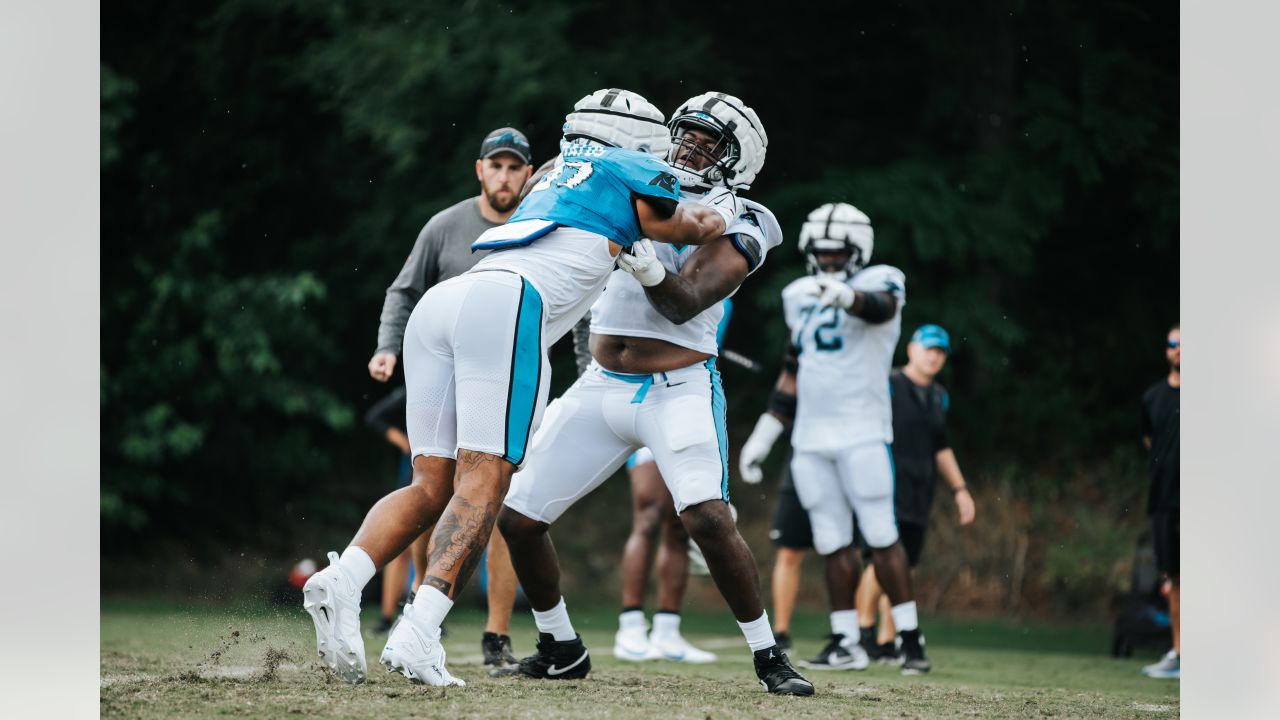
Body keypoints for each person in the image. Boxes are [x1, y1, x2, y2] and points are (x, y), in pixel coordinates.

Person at [304, 88, 736, 688]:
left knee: (433, 484)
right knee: (487, 480)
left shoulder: (555, 171)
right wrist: (723, 206)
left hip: (443, 306)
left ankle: (345, 577)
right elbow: (699, 223)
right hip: (506, 307)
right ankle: (420, 631)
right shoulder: (628, 169)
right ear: (640, 143)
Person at [498, 92, 814, 696]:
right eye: (685, 133)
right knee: (518, 518)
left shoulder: (747, 216)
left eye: (708, 141)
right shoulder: (635, 176)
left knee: (706, 517)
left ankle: (768, 656)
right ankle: (560, 645)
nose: (690, 146)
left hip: (678, 387)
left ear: (738, 159)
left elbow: (684, 301)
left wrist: (639, 258)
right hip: (600, 385)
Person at [364, 126, 534, 668]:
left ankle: (497, 636)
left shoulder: (544, 224)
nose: (504, 176)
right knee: (431, 494)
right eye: (496, 166)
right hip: (444, 382)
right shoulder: (446, 226)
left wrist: (581, 369)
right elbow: (404, 290)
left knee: (501, 504)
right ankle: (417, 611)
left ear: (528, 174)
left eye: (514, 167)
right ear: (479, 170)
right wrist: (388, 347)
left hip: (511, 384)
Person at [739, 202, 931, 675]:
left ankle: (910, 639)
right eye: (820, 253)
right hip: (810, 439)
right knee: (831, 541)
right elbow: (793, 367)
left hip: (863, 432)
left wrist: (845, 297)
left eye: (836, 253)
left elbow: (881, 307)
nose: (827, 261)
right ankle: (846, 640)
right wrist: (766, 433)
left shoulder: (880, 280)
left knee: (882, 535)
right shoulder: (799, 294)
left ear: (858, 250)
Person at [612, 298, 734, 666]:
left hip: (684, 402)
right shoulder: (651, 277)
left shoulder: (721, 294)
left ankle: (667, 630)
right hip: (640, 398)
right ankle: (630, 626)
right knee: (649, 514)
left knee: (681, 525)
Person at [854, 324, 976, 661]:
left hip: (921, 492)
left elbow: (941, 448)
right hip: (886, 485)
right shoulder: (888, 384)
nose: (934, 356)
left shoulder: (939, 396)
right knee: (881, 560)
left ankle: (888, 640)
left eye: (940, 351)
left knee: (904, 566)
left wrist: (960, 490)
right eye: (929, 348)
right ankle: (862, 634)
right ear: (911, 349)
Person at [1139, 323, 1180, 680]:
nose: (1180, 349)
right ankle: (1180, 653)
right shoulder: (1152, 397)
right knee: (1174, 579)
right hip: (1165, 501)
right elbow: (1149, 441)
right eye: (1173, 343)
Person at [362, 386, 414, 635]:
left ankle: (427, 617)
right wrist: (404, 442)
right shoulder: (415, 388)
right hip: (415, 475)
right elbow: (375, 417)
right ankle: (386, 618)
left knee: (431, 547)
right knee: (401, 549)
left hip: (447, 474)